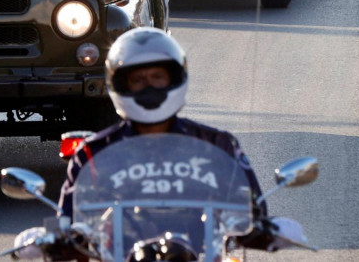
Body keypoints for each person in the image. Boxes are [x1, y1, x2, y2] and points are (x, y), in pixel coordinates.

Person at [57, 27, 279, 253]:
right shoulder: (92, 153)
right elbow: (67, 223)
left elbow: (253, 212)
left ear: (174, 79)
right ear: (122, 84)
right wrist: (54, 239)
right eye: (138, 80)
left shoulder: (217, 144)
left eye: (157, 77)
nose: (149, 86)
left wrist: (258, 227)